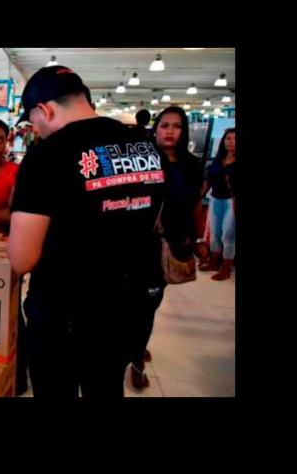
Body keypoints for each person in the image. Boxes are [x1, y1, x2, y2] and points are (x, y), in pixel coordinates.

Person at [5, 66, 165, 397]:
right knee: (106, 386)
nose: (34, 127)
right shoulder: (144, 144)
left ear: (44, 109)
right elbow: (151, 219)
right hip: (124, 306)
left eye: (32, 119)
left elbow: (22, 259)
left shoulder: (45, 157)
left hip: (64, 312)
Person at [128, 106, 206, 390]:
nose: (170, 131)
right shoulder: (140, 159)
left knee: (150, 304)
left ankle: (136, 351)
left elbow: (195, 205)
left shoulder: (192, 165)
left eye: (176, 126)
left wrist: (197, 240)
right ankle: (133, 352)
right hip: (138, 244)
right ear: (155, 128)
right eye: (164, 125)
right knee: (135, 303)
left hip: (172, 244)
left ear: (184, 131)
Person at [199, 128, 236, 280]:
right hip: (215, 199)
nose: (231, 142)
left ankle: (226, 268)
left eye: (234, 139)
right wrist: (199, 195)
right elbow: (209, 180)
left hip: (232, 201)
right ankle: (214, 262)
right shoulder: (218, 159)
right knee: (214, 233)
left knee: (228, 234)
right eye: (228, 138)